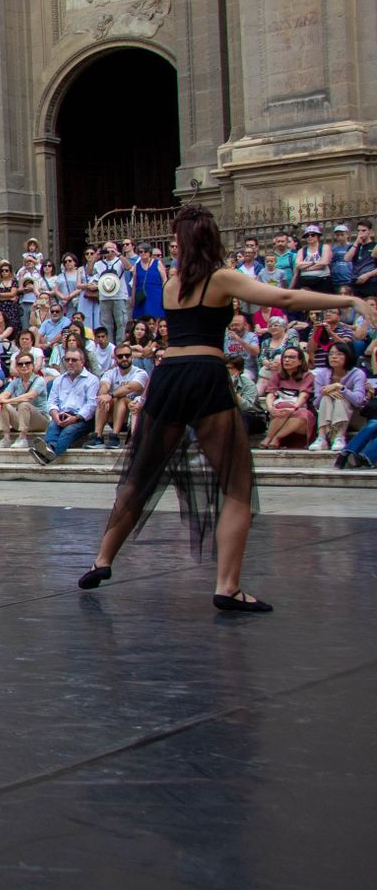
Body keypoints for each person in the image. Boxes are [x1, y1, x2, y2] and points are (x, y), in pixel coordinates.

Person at [77, 204, 377, 613]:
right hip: (205, 373)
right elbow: (285, 295)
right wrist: (350, 303)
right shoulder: (220, 279)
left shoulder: (171, 285)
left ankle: (103, 559)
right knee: (236, 484)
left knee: (140, 476)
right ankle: (228, 585)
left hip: (169, 374)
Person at [28, 348, 99, 464]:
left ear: (82, 362)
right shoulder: (59, 380)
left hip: (82, 418)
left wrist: (75, 418)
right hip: (61, 415)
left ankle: (48, 454)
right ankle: (48, 449)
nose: (70, 362)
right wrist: (55, 415)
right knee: (52, 426)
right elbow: (52, 401)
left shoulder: (92, 380)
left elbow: (91, 405)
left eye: (74, 360)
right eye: (67, 359)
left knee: (68, 431)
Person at [309, 341, 367, 452]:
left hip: (354, 415)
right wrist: (325, 392)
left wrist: (340, 387)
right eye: (331, 354)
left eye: (339, 354)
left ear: (347, 356)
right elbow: (316, 403)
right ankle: (321, 438)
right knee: (326, 397)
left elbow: (359, 401)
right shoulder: (321, 374)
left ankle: (339, 437)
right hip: (329, 413)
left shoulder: (357, 373)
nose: (334, 357)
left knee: (341, 397)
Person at [87, 344, 148, 449]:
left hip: (132, 418)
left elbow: (129, 388)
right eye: (120, 356)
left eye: (127, 355)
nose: (124, 358)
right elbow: (104, 386)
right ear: (115, 358)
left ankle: (115, 436)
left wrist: (110, 395)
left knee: (121, 399)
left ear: (132, 357)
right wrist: (103, 396)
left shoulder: (140, 373)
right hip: (113, 416)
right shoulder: (110, 373)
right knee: (102, 399)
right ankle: (98, 436)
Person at [260, 345, 315, 449]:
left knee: (302, 413)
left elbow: (304, 395)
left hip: (300, 412)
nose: (287, 360)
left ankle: (275, 437)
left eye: (291, 357)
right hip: (280, 411)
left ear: (300, 361)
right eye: (285, 357)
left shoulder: (307, 376)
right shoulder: (277, 375)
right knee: (282, 406)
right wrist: (270, 407)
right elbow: (270, 393)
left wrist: (293, 409)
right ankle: (270, 438)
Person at [0, 352, 49, 448]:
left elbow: (30, 396)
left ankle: (22, 438)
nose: (24, 366)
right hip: (22, 418)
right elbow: (5, 393)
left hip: (40, 420)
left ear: (32, 365)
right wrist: (0, 400)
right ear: (17, 367)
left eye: (27, 363)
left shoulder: (39, 380)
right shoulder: (15, 382)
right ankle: (6, 438)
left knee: (23, 404)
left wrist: (8, 401)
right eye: (20, 364)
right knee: (2, 405)